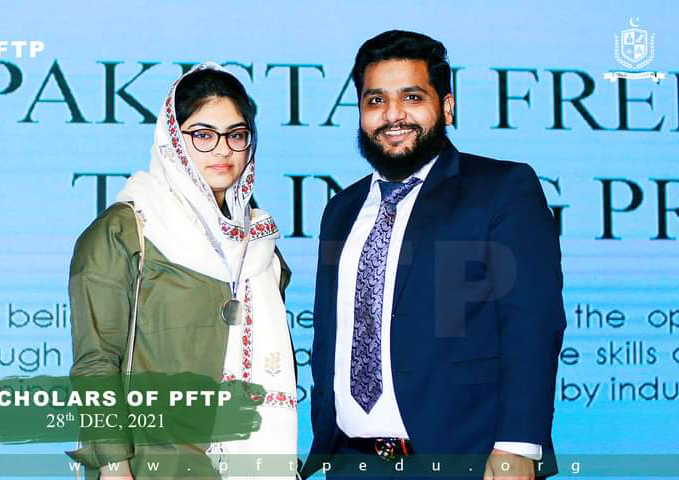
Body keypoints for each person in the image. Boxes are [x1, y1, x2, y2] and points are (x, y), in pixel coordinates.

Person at [302, 31, 566, 480]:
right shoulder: (341, 209)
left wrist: (518, 446)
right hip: (351, 463)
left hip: (468, 460)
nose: (393, 115)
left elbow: (532, 325)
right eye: (376, 100)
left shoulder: (501, 189)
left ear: (446, 107)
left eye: (412, 97)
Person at [67, 62, 298, 479]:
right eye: (203, 135)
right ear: (173, 138)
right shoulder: (126, 231)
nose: (223, 150)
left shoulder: (259, 244)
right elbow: (96, 364)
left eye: (236, 134)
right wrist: (113, 467)